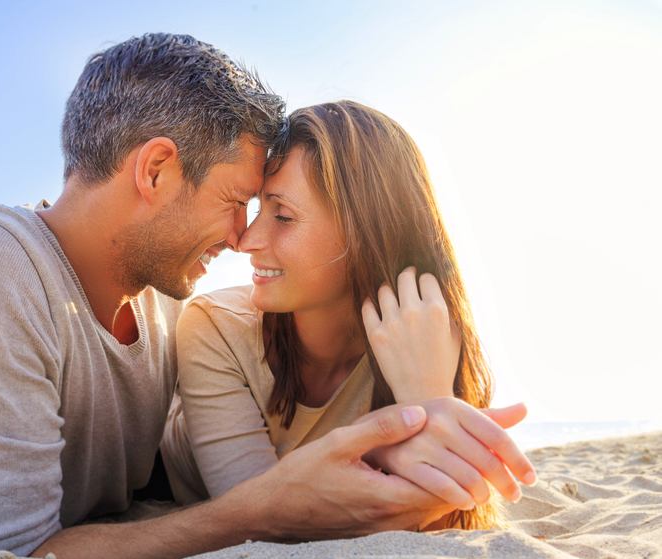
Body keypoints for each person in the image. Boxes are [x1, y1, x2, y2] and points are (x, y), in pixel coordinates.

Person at [0, 34, 533, 559]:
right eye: (238, 202)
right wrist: (266, 505)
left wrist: (424, 403)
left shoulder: (168, 300)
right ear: (155, 172)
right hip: (12, 492)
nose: (242, 238)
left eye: (269, 211)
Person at [162, 100, 535, 530]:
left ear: (366, 231)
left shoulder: (423, 334)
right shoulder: (216, 325)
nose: (247, 241)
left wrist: (427, 398)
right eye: (259, 209)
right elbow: (260, 518)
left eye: (282, 215)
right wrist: (386, 445)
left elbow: (445, 528)